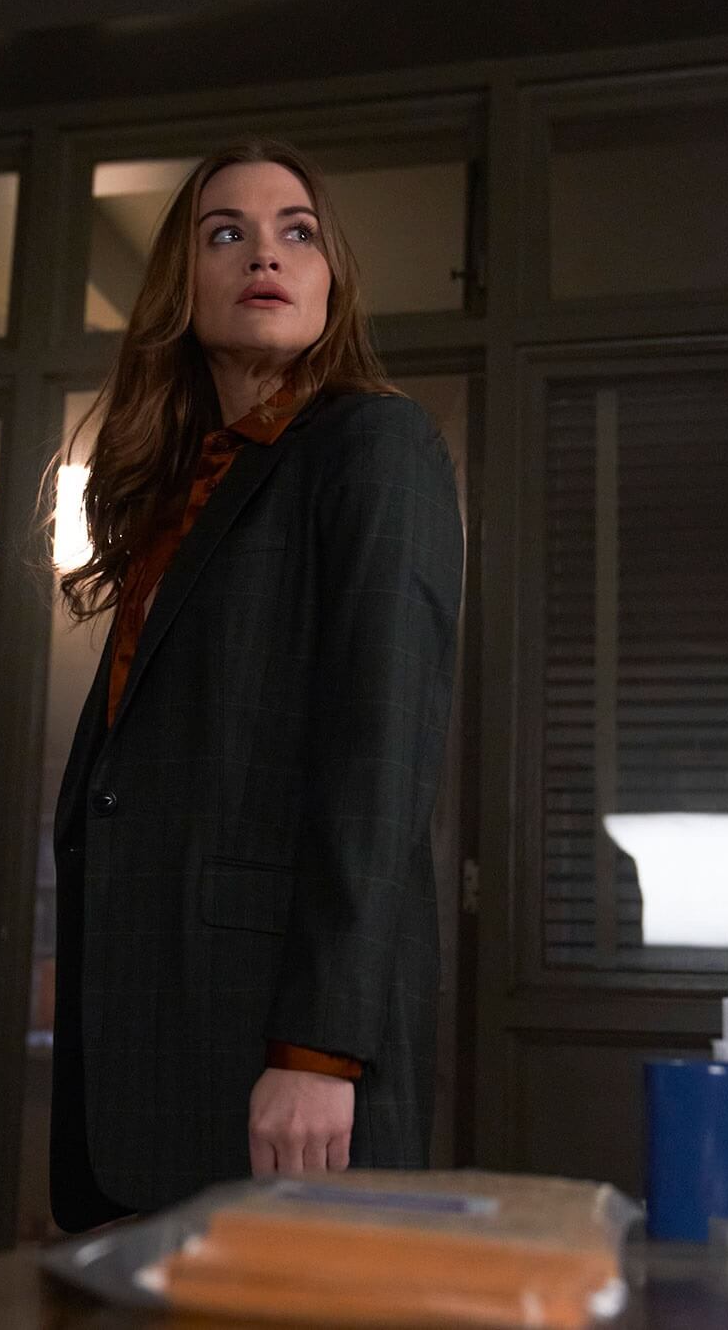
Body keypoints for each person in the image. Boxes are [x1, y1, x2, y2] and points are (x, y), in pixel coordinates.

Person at [48, 139, 465, 1231]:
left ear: (331, 282)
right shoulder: (182, 486)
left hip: (283, 1058)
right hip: (147, 1044)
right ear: (179, 284)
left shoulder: (374, 444)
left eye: (297, 232)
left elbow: (379, 764)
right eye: (224, 232)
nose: (264, 254)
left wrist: (317, 1048)